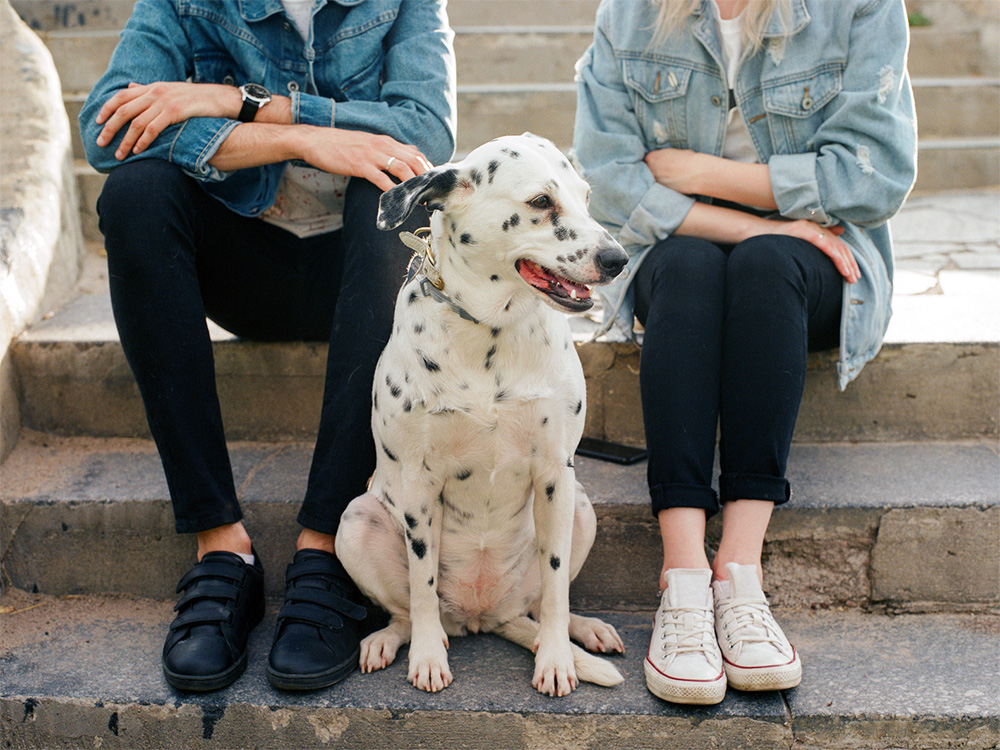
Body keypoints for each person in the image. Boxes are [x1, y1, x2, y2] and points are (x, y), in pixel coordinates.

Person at [78, 0, 456, 693]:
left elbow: (425, 132)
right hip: (245, 270)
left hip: (363, 272)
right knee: (134, 194)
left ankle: (325, 554)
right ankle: (220, 547)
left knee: (399, 190)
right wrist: (300, 140)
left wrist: (240, 103)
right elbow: (107, 132)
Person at [574, 0, 916, 705]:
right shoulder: (630, 13)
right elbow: (608, 177)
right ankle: (684, 582)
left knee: (764, 268)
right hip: (683, 248)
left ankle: (739, 574)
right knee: (693, 266)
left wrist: (697, 171)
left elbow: (874, 174)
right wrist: (745, 220)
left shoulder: (860, 7)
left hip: (820, 259)